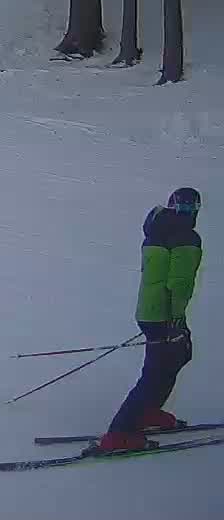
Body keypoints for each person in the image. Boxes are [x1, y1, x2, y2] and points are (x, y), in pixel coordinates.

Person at [95, 188, 203, 454]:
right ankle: (119, 434)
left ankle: (148, 413)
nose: (188, 213)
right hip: (165, 314)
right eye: (187, 208)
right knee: (157, 373)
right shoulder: (186, 237)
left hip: (151, 312)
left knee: (174, 359)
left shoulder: (157, 229)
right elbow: (180, 283)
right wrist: (176, 319)